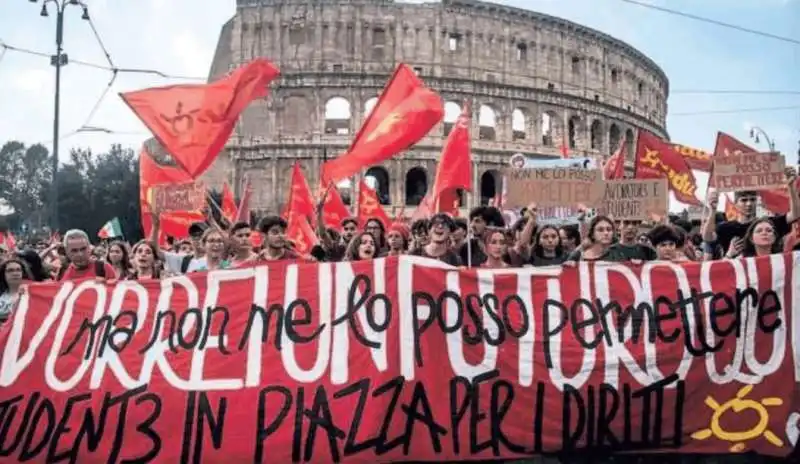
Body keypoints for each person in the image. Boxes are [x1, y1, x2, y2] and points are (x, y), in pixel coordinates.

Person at [0, 258, 32, 323]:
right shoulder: (1, 295)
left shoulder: (32, 293)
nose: (15, 273)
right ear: (3, 274)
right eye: (10, 270)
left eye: (18, 270)